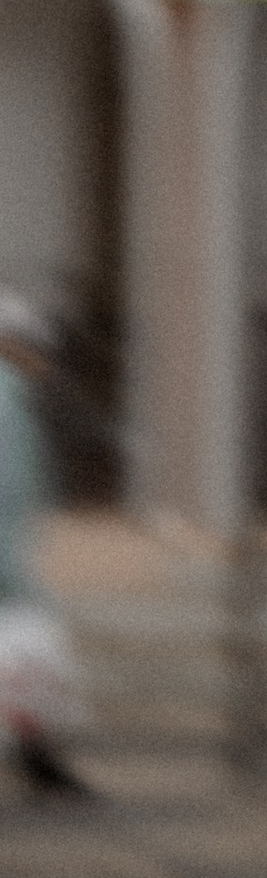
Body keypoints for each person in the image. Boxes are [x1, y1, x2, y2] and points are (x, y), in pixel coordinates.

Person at [0, 294, 91, 800]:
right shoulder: (6, 402)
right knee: (33, 657)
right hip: (6, 568)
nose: (46, 361)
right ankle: (41, 762)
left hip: (10, 563)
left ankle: (40, 759)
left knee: (31, 659)